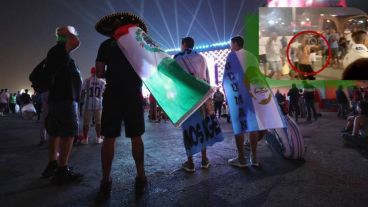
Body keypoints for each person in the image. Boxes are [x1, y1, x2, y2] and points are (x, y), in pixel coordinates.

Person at [95, 14, 147, 198]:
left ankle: (105, 181)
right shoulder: (136, 43)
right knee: (136, 136)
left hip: (113, 94)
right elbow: (146, 68)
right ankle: (141, 176)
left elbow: (100, 73)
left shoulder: (105, 45)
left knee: (109, 137)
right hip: (133, 92)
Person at [41, 26, 83, 185]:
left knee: (55, 132)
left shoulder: (57, 53)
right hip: (65, 99)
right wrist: (67, 32)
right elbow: (76, 41)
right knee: (68, 132)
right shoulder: (59, 51)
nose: (74, 35)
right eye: (70, 34)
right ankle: (62, 169)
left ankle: (53, 164)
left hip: (59, 99)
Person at [226, 36, 266, 168]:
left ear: (235, 44)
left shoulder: (232, 56)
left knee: (239, 126)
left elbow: (228, 79)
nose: (231, 47)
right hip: (252, 95)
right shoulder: (252, 57)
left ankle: (241, 158)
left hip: (238, 96)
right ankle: (254, 158)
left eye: (231, 44)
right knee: (252, 127)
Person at [174, 36, 211, 172]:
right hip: (200, 97)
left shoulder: (177, 58)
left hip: (185, 99)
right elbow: (207, 79)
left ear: (184, 44)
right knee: (202, 128)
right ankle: (204, 160)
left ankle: (190, 163)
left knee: (188, 129)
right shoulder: (201, 57)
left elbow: (174, 79)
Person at [80, 67, 106, 145]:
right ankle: (98, 138)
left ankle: (85, 139)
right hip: (98, 104)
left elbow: (82, 91)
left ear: (91, 72)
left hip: (88, 104)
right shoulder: (102, 82)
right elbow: (105, 91)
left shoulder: (87, 81)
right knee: (98, 122)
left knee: (86, 123)